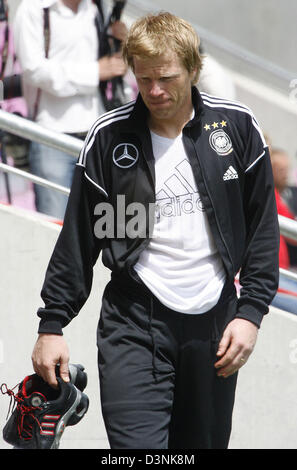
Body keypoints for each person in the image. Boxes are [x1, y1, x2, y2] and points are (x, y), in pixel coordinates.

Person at [31, 12, 279, 449]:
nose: (154, 91)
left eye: (166, 78)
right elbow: (78, 239)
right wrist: (52, 325)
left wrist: (251, 313)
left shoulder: (237, 127)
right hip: (133, 324)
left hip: (216, 329)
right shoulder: (109, 138)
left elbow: (262, 228)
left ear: (193, 69)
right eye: (143, 80)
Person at [13, 0, 127, 220]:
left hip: (96, 137)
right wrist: (95, 71)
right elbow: (34, 70)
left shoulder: (95, 8)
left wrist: (120, 42)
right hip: (51, 136)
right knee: (55, 227)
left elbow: (110, 66)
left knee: (98, 227)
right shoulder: (34, 8)